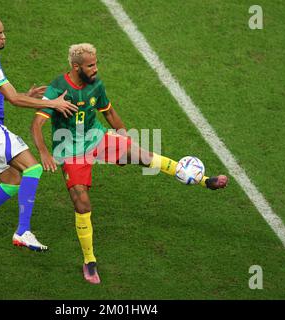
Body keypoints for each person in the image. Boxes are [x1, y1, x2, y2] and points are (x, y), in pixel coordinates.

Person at [31, 43, 228, 284]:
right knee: (81, 202)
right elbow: (37, 124)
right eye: (90, 65)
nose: (95, 68)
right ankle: (89, 261)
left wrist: (124, 138)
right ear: (76, 67)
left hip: (97, 138)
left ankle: (204, 180)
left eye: (96, 63)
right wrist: (43, 152)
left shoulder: (96, 84)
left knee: (144, 156)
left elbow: (110, 113)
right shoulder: (58, 88)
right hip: (70, 151)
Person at [0, 16, 78, 254]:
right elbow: (13, 99)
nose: (3, 37)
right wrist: (52, 103)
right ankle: (23, 231)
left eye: (3, 32)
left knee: (12, 182)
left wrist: (25, 94)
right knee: (33, 168)